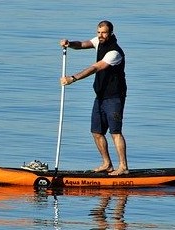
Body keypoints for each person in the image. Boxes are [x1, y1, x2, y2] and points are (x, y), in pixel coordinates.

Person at [60, 20, 128, 175]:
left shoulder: (115, 52)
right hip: (100, 96)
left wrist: (73, 78)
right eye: (98, 32)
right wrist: (69, 43)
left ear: (111, 33)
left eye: (103, 33)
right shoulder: (99, 41)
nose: (100, 35)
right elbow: (82, 44)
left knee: (115, 132)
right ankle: (107, 164)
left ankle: (123, 167)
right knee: (97, 132)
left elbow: (96, 67)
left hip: (114, 97)